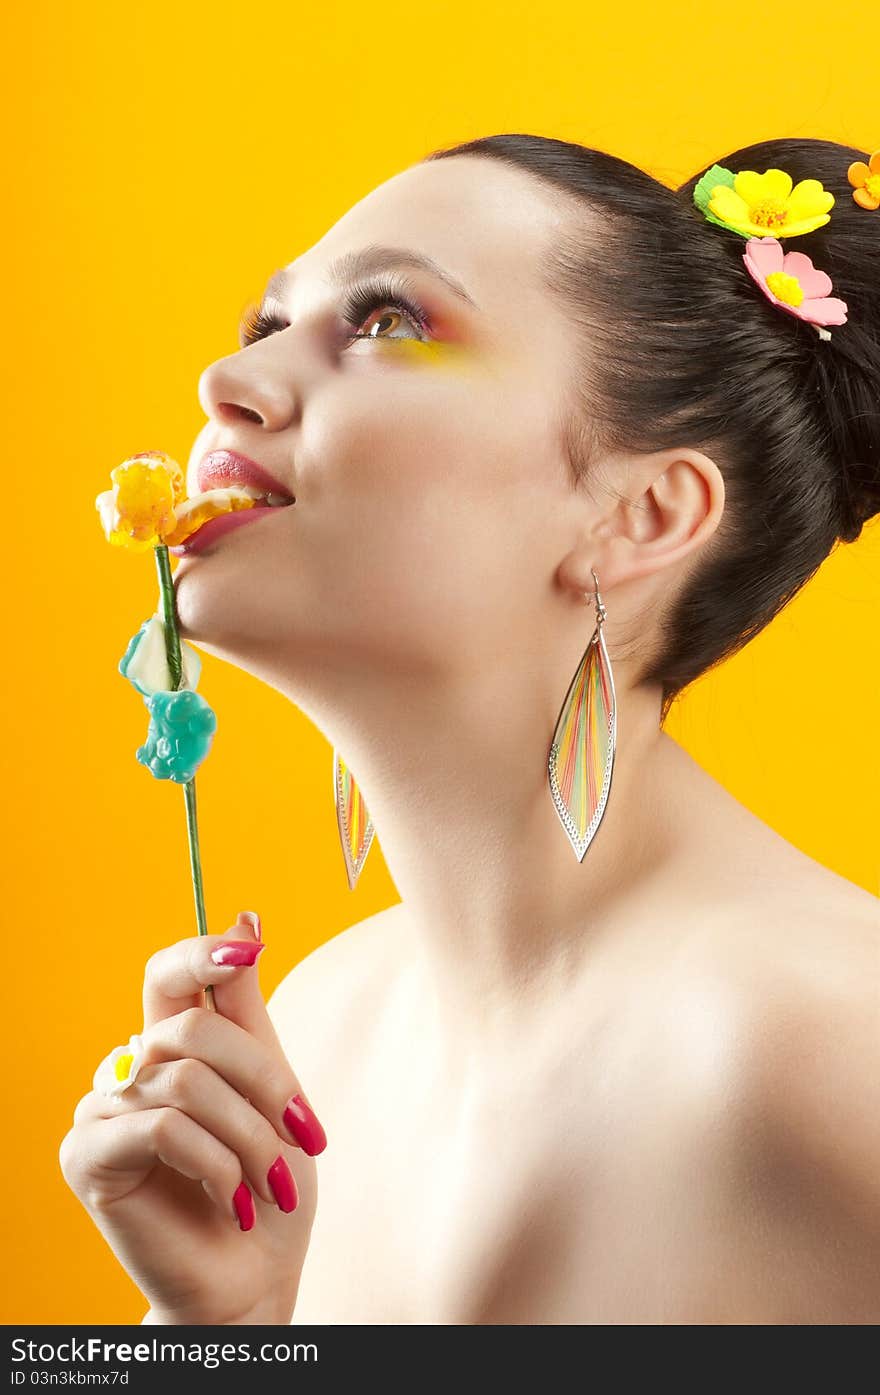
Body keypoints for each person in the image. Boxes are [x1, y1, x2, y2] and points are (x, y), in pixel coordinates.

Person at [60, 133, 880, 1325]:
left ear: (643, 514)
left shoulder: (828, 1050)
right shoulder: (320, 1034)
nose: (224, 385)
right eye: (264, 324)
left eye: (387, 321)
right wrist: (219, 1332)